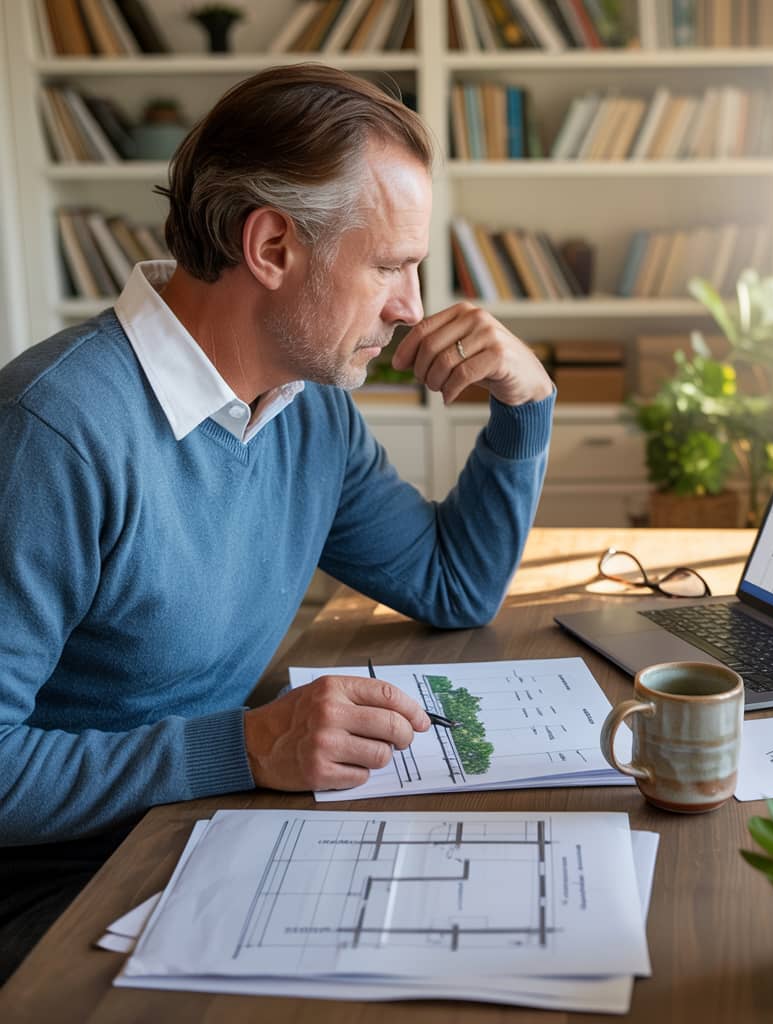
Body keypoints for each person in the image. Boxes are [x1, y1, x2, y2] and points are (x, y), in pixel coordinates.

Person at [0, 64, 554, 980]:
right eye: (389, 265)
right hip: (60, 899)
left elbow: (453, 585)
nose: (411, 307)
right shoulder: (53, 433)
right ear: (270, 247)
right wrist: (246, 743)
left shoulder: (306, 410)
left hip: (211, 833)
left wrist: (525, 404)